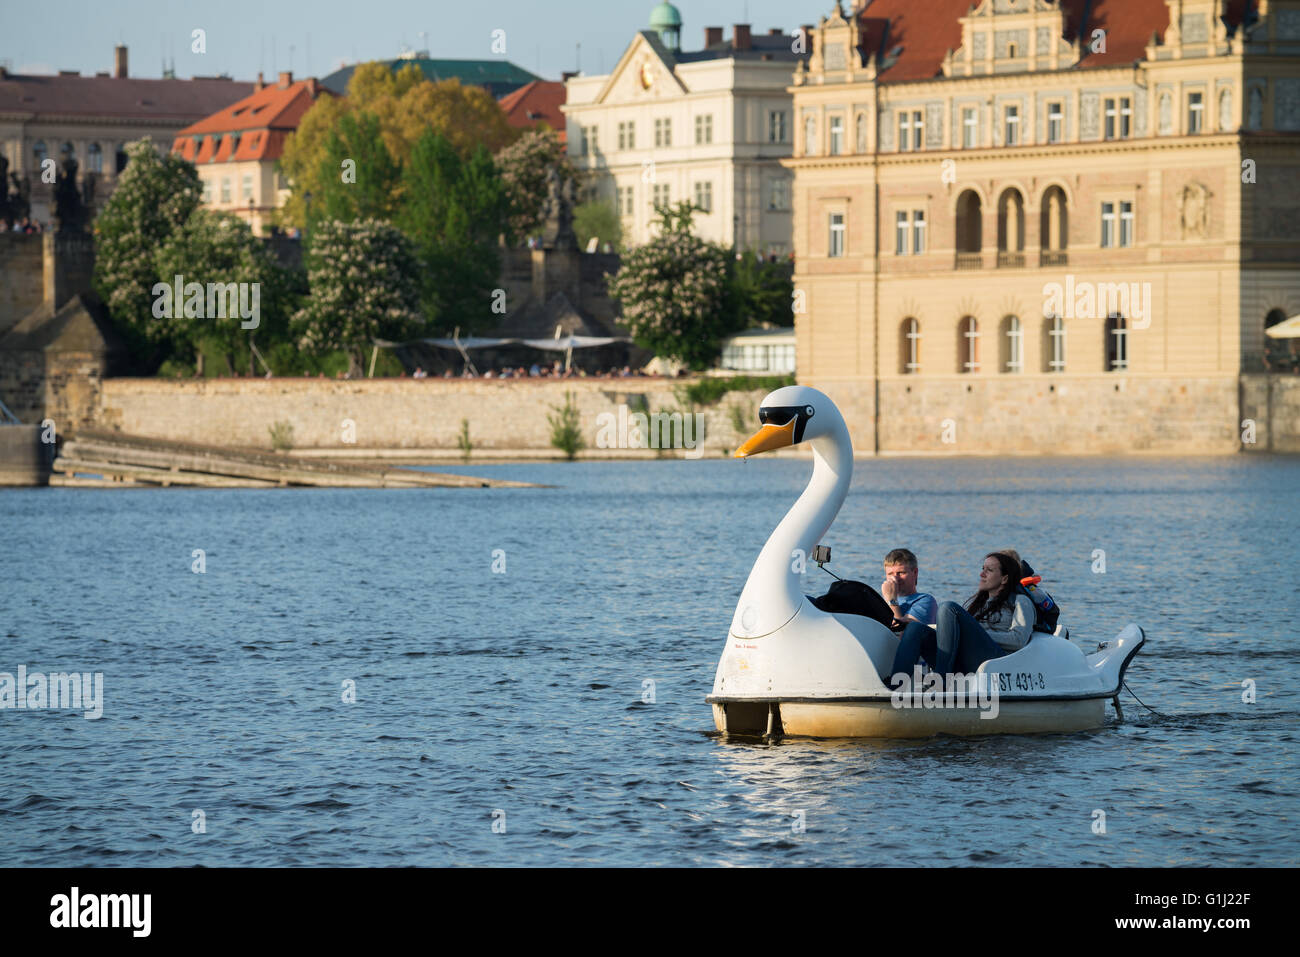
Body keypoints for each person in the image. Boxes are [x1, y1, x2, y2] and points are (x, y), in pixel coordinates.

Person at [890, 551, 1035, 678]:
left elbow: (1018, 639)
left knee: (948, 608)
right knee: (916, 629)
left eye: (989, 570)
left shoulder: (1021, 601)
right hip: (965, 662)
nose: (981, 574)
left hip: (995, 662)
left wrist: (976, 633)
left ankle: (941, 680)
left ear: (1004, 578)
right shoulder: (980, 603)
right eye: (982, 569)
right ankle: (895, 687)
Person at [879, 548, 937, 627]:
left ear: (915, 573)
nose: (895, 578)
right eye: (890, 574)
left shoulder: (926, 601)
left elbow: (902, 634)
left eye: (901, 573)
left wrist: (891, 601)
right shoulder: (881, 602)